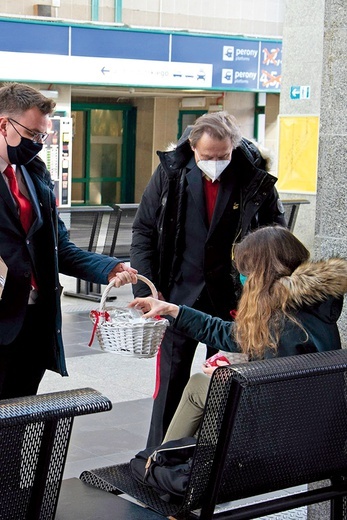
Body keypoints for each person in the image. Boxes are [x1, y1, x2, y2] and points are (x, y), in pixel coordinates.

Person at [130, 111, 287, 446]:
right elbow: (144, 229)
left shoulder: (253, 177)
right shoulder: (171, 173)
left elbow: (277, 236)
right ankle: (157, 456)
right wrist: (146, 287)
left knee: (227, 382)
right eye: (207, 157)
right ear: (192, 146)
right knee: (170, 384)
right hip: (178, 295)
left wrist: (266, 293)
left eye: (223, 156)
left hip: (234, 300)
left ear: (235, 147)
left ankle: (214, 459)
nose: (215, 163)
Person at [126, 226, 347, 443]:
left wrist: (232, 376)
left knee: (198, 387)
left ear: (260, 274)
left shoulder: (283, 321)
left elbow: (277, 391)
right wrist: (172, 309)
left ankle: (160, 462)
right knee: (207, 390)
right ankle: (171, 461)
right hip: (320, 424)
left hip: (286, 430)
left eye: (244, 272)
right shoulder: (309, 304)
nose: (241, 279)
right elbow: (234, 336)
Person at [0, 82, 137, 400]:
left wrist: (109, 268)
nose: (38, 143)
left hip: (32, 324)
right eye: (33, 134)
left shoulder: (33, 174)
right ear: (4, 124)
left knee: (21, 417)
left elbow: (58, 246)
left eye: (42, 136)